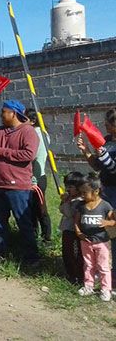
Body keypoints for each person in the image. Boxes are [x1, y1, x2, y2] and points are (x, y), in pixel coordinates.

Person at [0, 100, 40, 264]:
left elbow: (29, 154)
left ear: (14, 113)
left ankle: (31, 257)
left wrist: (3, 152)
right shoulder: (0, 131)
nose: (2, 114)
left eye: (4, 111)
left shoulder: (28, 132)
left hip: (18, 187)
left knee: (24, 223)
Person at [76, 108, 116, 286]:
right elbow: (98, 166)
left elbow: (114, 169)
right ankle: (105, 271)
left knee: (113, 229)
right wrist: (86, 151)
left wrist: (104, 155)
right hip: (106, 191)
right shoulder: (106, 141)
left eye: (109, 123)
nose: (105, 125)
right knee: (106, 232)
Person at [74, 173, 115, 302]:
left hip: (102, 242)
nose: (82, 195)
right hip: (86, 241)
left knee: (103, 266)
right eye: (81, 192)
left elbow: (114, 222)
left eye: (85, 193)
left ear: (96, 191)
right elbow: (76, 221)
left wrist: (107, 223)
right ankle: (88, 286)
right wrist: (78, 232)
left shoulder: (105, 206)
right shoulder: (81, 206)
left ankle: (105, 289)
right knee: (88, 265)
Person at [26, 109, 52, 243]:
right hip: (38, 177)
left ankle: (45, 237)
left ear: (32, 121)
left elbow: (32, 156)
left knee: (37, 209)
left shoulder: (35, 134)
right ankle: (40, 237)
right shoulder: (43, 133)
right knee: (37, 208)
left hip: (34, 178)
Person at [59, 171, 85, 284]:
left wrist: (66, 201)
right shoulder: (69, 198)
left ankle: (79, 275)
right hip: (67, 229)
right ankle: (71, 274)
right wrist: (64, 201)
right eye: (66, 186)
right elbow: (62, 210)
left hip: (76, 230)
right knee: (67, 252)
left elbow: (69, 214)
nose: (67, 189)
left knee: (78, 253)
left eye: (71, 187)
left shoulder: (80, 201)